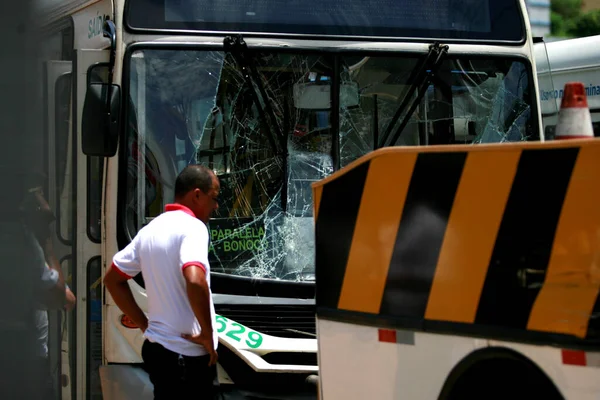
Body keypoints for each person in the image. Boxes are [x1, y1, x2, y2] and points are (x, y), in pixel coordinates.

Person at [104, 164, 220, 399]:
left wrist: (145, 324)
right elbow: (196, 280)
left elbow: (112, 279)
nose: (216, 206)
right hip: (186, 358)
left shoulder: (150, 230)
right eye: (214, 197)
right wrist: (207, 334)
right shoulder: (194, 227)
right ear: (197, 195)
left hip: (158, 352)